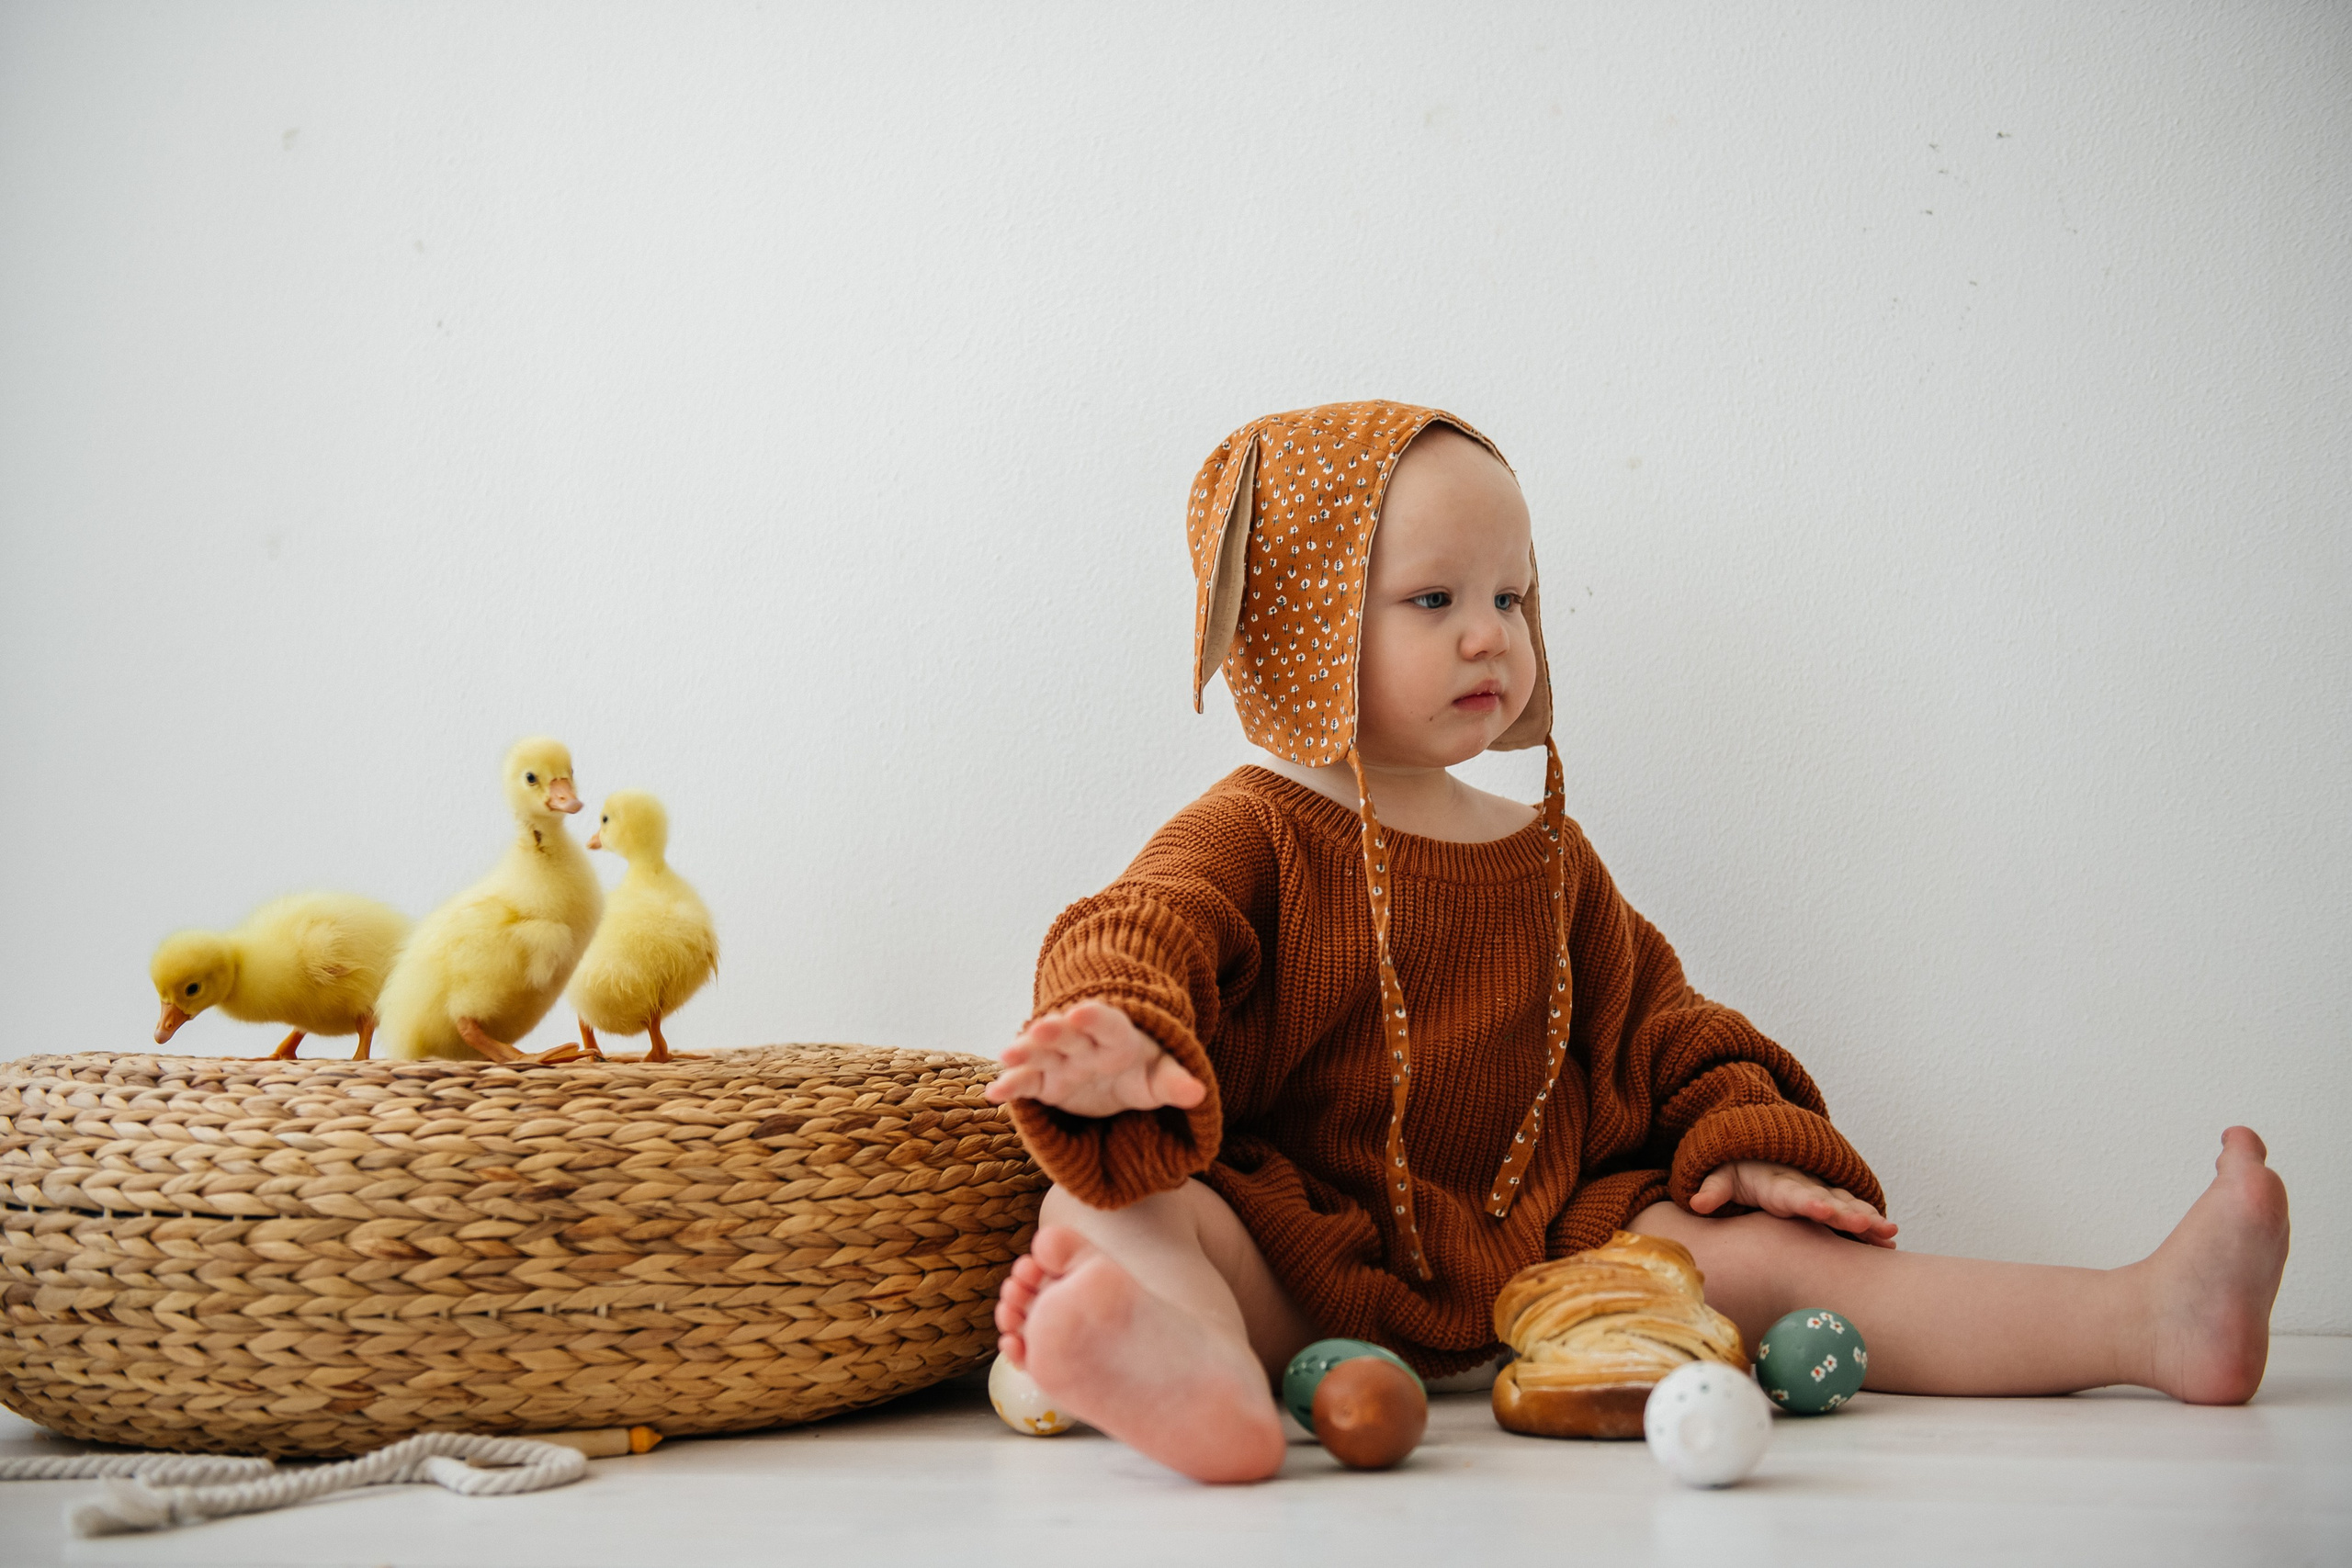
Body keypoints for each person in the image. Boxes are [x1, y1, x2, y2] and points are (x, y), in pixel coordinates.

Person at [984, 401, 2290, 1484]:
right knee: (1122, 1204)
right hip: (1305, 1258)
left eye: (1513, 593)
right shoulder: (1255, 830)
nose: (1489, 632)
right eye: (1433, 598)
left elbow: (1661, 1028)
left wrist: (1745, 1145)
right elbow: (1139, 928)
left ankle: (2150, 1318)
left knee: (1771, 1260)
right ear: (1305, 621)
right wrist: (1119, 1033)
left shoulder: (1546, 854)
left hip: (1556, 1252)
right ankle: (1202, 1377)